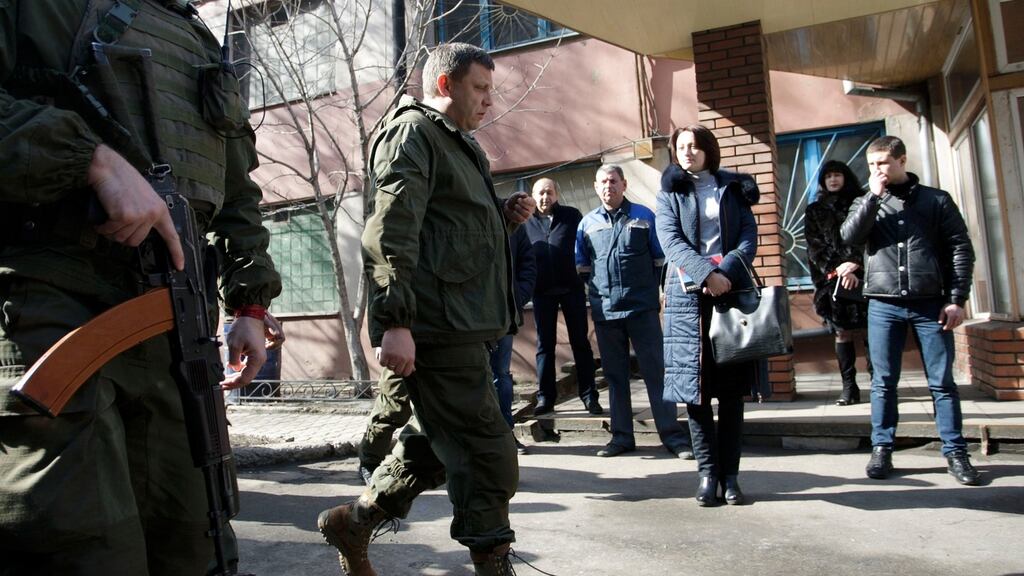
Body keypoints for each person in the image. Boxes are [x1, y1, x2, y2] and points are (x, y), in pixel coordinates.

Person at [0, 2, 283, 574]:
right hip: (54, 300)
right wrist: (90, 161)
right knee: (80, 544)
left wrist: (249, 302)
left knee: (194, 537)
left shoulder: (194, 34)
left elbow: (235, 186)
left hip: (178, 318)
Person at [316, 42, 535, 576]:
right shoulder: (414, 133)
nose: (489, 100)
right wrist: (395, 323)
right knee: (487, 452)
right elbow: (391, 232)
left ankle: (355, 522)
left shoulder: (458, 144)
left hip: (460, 323)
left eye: (490, 88)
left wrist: (503, 218)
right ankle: (492, 561)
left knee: (434, 446)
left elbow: (448, 235)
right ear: (445, 85)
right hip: (436, 328)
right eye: (479, 88)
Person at [841, 135, 980, 486]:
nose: (877, 170)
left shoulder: (936, 200)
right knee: (883, 381)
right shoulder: (867, 200)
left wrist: (956, 299)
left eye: (883, 163)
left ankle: (955, 451)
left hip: (930, 301)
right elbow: (850, 237)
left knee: (942, 382)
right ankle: (882, 448)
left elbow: (960, 249)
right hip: (883, 303)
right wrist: (872, 196)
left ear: (902, 161)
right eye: (871, 165)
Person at [656, 125, 761, 506]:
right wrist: (705, 274)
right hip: (687, 304)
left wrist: (726, 273)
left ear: (708, 150)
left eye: (694, 146)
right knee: (695, 396)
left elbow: (749, 235)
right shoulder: (669, 192)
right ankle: (706, 474)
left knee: (731, 395)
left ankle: (731, 476)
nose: (687, 153)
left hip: (730, 296)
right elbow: (670, 240)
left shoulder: (733, 188)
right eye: (681, 147)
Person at [575, 164, 693, 460]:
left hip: (642, 309)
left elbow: (660, 261)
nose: (608, 186)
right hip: (606, 312)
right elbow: (583, 268)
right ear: (595, 186)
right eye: (602, 182)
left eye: (613, 181)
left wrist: (655, 296)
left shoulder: (644, 216)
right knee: (615, 377)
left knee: (657, 373)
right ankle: (621, 437)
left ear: (623, 184)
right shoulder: (586, 224)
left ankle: (673, 436)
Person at [523, 178, 602, 415]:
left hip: (572, 289)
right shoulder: (525, 221)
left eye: (549, 192)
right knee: (544, 346)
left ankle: (589, 396)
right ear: (533, 196)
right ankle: (546, 398)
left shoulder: (571, 215)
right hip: (542, 293)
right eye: (540, 193)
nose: (544, 197)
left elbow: (585, 248)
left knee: (581, 343)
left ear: (556, 194)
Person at [805, 160, 871, 406]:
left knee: (870, 331)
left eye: (838, 175)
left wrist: (855, 264)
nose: (833, 180)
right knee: (842, 333)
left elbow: (868, 239)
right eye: (828, 176)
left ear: (846, 177)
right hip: (831, 282)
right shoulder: (815, 210)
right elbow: (814, 247)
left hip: (864, 278)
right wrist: (838, 271)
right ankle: (849, 387)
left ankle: (878, 383)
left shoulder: (861, 202)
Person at [490, 225, 536, 454]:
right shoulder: (464, 206)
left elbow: (528, 263)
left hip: (503, 313)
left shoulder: (508, 214)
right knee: (470, 378)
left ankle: (506, 435)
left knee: (500, 376)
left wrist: (516, 295)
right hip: (464, 315)